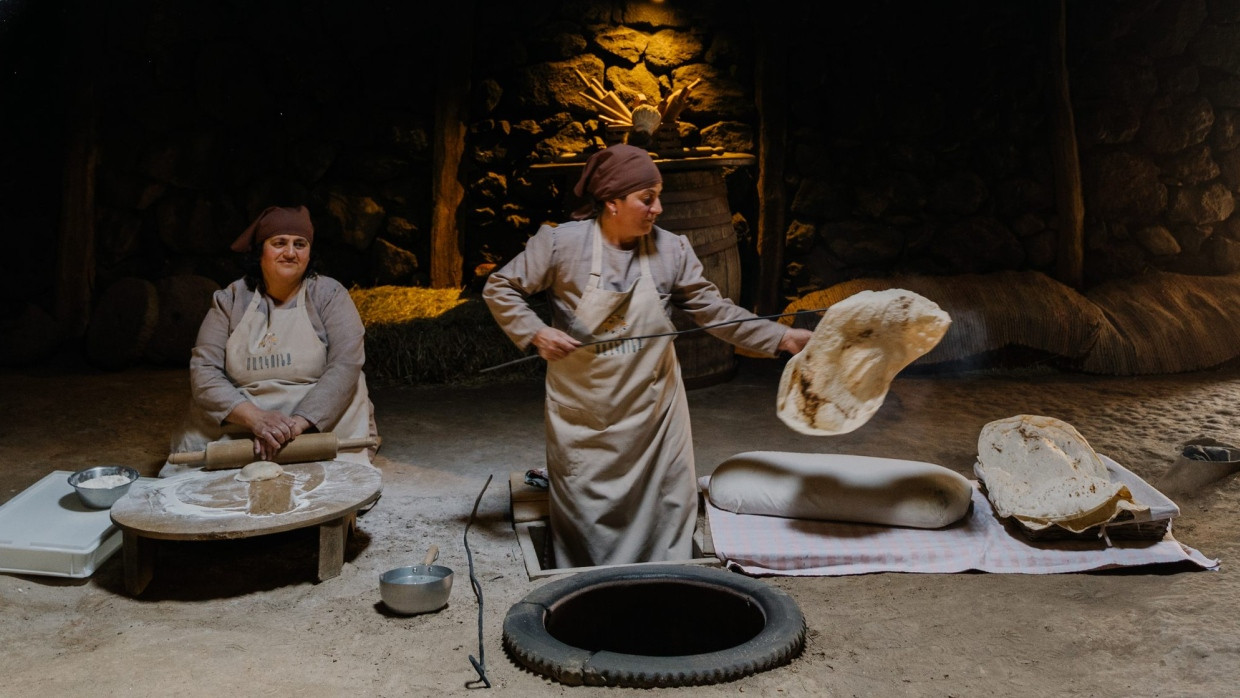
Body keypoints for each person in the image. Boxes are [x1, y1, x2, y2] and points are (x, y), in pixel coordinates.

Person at [483, 144, 813, 568]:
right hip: (585, 413)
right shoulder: (561, 244)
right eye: (647, 198)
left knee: (669, 505)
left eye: (659, 196)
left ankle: (669, 580)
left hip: (655, 412)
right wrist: (536, 332)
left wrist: (781, 338)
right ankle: (587, 584)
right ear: (612, 202)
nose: (658, 208)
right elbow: (500, 287)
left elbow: (716, 311)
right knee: (588, 513)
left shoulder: (671, 250)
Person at [160, 205, 378, 476]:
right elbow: (205, 372)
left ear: (310, 253)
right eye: (279, 243)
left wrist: (295, 425)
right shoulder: (230, 300)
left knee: (354, 383)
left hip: (317, 421)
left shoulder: (329, 295)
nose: (290, 253)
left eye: (300, 244)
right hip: (243, 421)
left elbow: (346, 363)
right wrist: (257, 420)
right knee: (195, 484)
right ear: (260, 251)